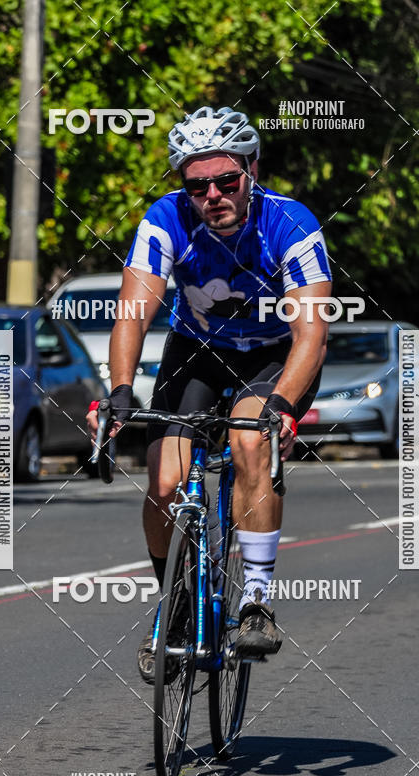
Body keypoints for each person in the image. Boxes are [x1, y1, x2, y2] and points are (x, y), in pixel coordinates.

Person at [87, 105, 332, 682]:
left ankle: (255, 604)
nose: (214, 194)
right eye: (198, 185)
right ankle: (176, 605)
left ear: (252, 169)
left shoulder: (290, 223)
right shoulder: (165, 219)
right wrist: (121, 388)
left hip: (274, 355)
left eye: (227, 179)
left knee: (249, 444)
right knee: (165, 481)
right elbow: (131, 314)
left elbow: (312, 332)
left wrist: (282, 407)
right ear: (184, 187)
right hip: (198, 349)